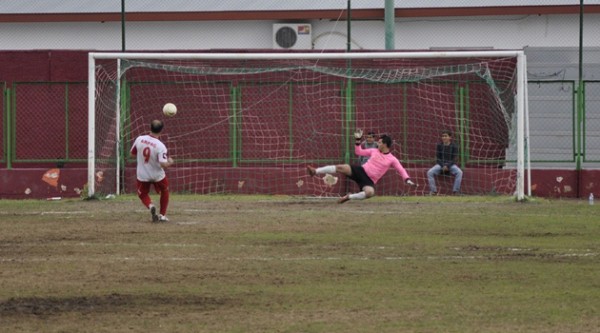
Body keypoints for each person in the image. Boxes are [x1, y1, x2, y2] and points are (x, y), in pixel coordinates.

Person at [307, 130, 416, 204]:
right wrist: (358, 140)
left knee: (370, 193)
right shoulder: (374, 151)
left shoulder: (392, 159)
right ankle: (315, 171)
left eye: (379, 142)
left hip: (369, 180)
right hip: (361, 171)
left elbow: (401, 169)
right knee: (342, 167)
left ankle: (349, 197)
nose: (377, 143)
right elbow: (358, 151)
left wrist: (407, 179)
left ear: (385, 145)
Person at [130, 119, 174, 222]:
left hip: (143, 174)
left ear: (150, 127)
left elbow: (132, 154)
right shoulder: (161, 146)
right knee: (164, 190)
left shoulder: (139, 139)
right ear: (161, 131)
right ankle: (162, 215)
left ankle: (150, 206)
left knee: (142, 194)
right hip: (157, 175)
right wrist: (170, 162)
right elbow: (163, 164)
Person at [427, 130, 463, 195]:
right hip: (441, 165)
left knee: (459, 172)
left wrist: (447, 166)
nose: (444, 138)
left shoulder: (454, 146)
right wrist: (443, 165)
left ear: (450, 137)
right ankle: (433, 191)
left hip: (451, 165)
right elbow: (438, 158)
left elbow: (455, 159)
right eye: (443, 136)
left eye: (446, 136)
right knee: (430, 172)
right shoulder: (439, 145)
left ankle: (456, 191)